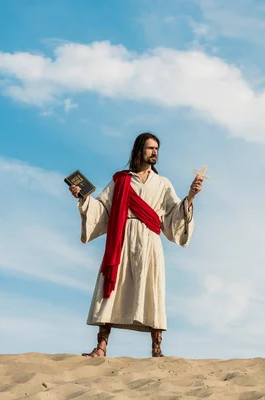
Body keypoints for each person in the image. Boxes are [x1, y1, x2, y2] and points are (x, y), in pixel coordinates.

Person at [68, 132, 203, 358]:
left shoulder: (162, 184)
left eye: (157, 149)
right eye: (150, 148)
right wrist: (83, 198)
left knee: (152, 288)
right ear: (139, 150)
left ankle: (157, 349)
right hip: (121, 239)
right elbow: (103, 209)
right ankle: (101, 347)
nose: (154, 152)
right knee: (111, 287)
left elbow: (172, 215)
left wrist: (190, 196)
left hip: (149, 241)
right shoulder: (121, 181)